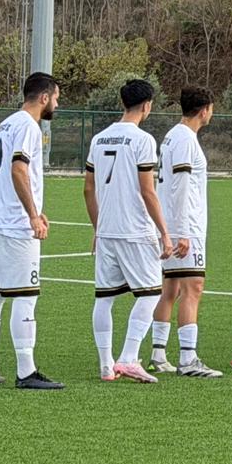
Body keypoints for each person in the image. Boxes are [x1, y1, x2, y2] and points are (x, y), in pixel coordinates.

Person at [0, 71, 64, 390]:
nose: (57, 103)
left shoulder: (7, 123)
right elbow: (18, 169)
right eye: (55, 97)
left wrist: (36, 209)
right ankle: (26, 370)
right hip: (13, 225)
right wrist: (32, 216)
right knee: (26, 297)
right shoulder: (28, 126)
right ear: (44, 97)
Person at [85, 78, 173, 383]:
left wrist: (98, 227)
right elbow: (148, 192)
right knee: (150, 293)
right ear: (147, 105)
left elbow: (88, 189)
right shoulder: (143, 140)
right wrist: (164, 232)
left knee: (104, 298)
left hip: (108, 230)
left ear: (123, 103)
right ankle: (128, 357)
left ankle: (105, 365)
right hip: (135, 230)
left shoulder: (99, 139)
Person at [149, 86, 221, 376]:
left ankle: (158, 352)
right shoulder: (185, 139)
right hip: (184, 227)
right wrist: (181, 231)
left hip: (175, 224)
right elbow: (179, 188)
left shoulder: (173, 136)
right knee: (193, 287)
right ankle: (188, 359)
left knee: (172, 288)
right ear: (204, 110)